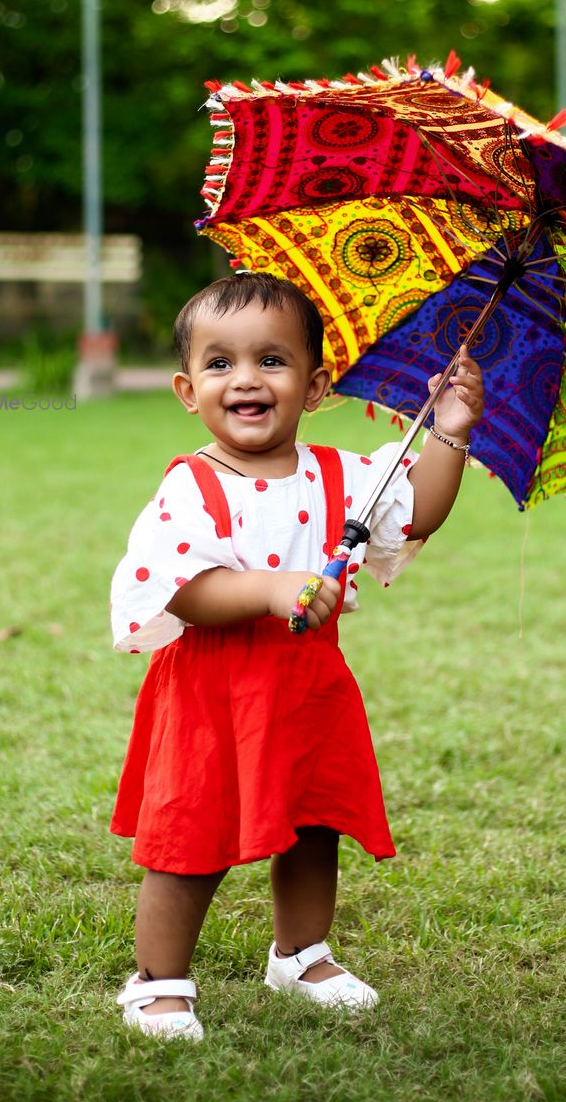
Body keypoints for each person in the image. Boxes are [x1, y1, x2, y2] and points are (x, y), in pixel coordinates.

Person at [108, 271, 484, 1039]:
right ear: (188, 390)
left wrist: (449, 427)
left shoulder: (345, 479)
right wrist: (268, 589)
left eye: (271, 361)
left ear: (313, 386)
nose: (245, 379)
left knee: (314, 824)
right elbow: (174, 589)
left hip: (307, 686)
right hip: (213, 691)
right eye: (220, 364)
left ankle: (301, 952)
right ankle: (158, 979)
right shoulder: (192, 485)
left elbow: (418, 516)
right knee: (189, 839)